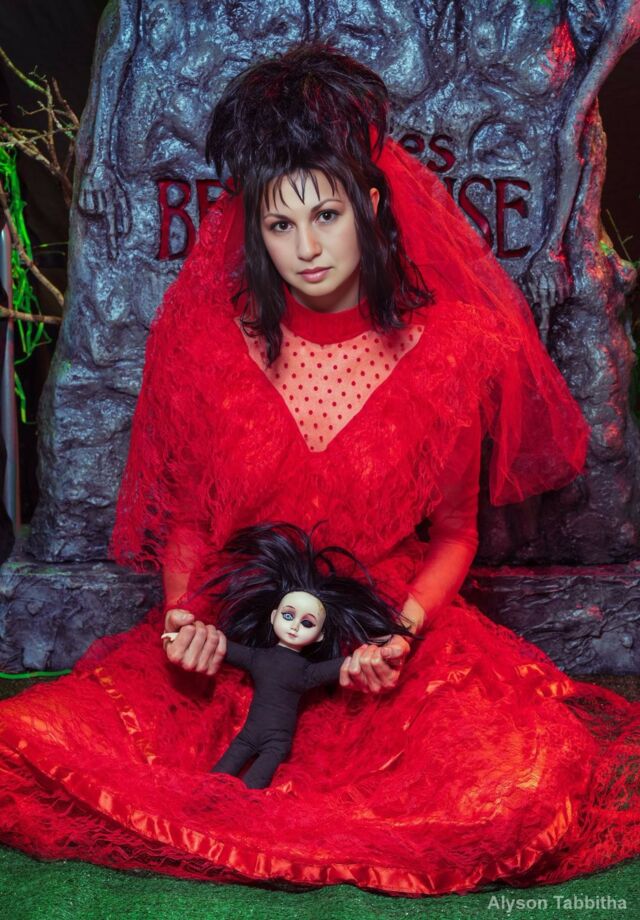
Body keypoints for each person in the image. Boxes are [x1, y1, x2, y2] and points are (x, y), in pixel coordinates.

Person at [0, 45, 639, 896]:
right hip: (236, 635)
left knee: (516, 789)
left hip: (379, 638)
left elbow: (456, 533)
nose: (306, 247)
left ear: (369, 207)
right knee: (40, 745)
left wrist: (400, 635)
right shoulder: (207, 345)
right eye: (279, 225)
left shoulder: (452, 353)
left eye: (326, 215)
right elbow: (187, 520)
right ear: (254, 233)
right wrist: (183, 620)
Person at [173, 522, 414, 788]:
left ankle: (236, 804)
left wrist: (370, 656)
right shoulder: (258, 658)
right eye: (289, 616)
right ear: (274, 617)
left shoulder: (305, 671)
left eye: (307, 623)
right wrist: (185, 634)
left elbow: (344, 665)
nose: (296, 626)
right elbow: (222, 645)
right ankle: (205, 797)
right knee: (217, 777)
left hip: (277, 742)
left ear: (320, 635)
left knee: (251, 787)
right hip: (248, 733)